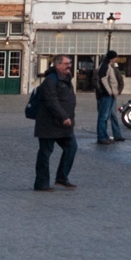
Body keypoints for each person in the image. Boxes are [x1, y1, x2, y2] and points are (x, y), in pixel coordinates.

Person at [33, 54, 79, 191]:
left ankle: (61, 178)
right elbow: (51, 101)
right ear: (57, 65)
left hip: (64, 125)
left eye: (70, 63)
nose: (69, 66)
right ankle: (41, 184)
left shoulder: (66, 79)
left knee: (72, 148)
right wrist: (64, 116)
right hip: (49, 123)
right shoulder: (50, 80)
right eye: (66, 63)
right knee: (45, 153)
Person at [94, 50, 127, 145]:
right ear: (112, 58)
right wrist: (110, 91)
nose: (117, 59)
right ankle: (102, 137)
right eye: (115, 57)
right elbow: (103, 79)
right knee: (103, 117)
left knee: (106, 116)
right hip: (106, 95)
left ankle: (104, 136)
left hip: (107, 94)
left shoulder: (106, 66)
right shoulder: (105, 66)